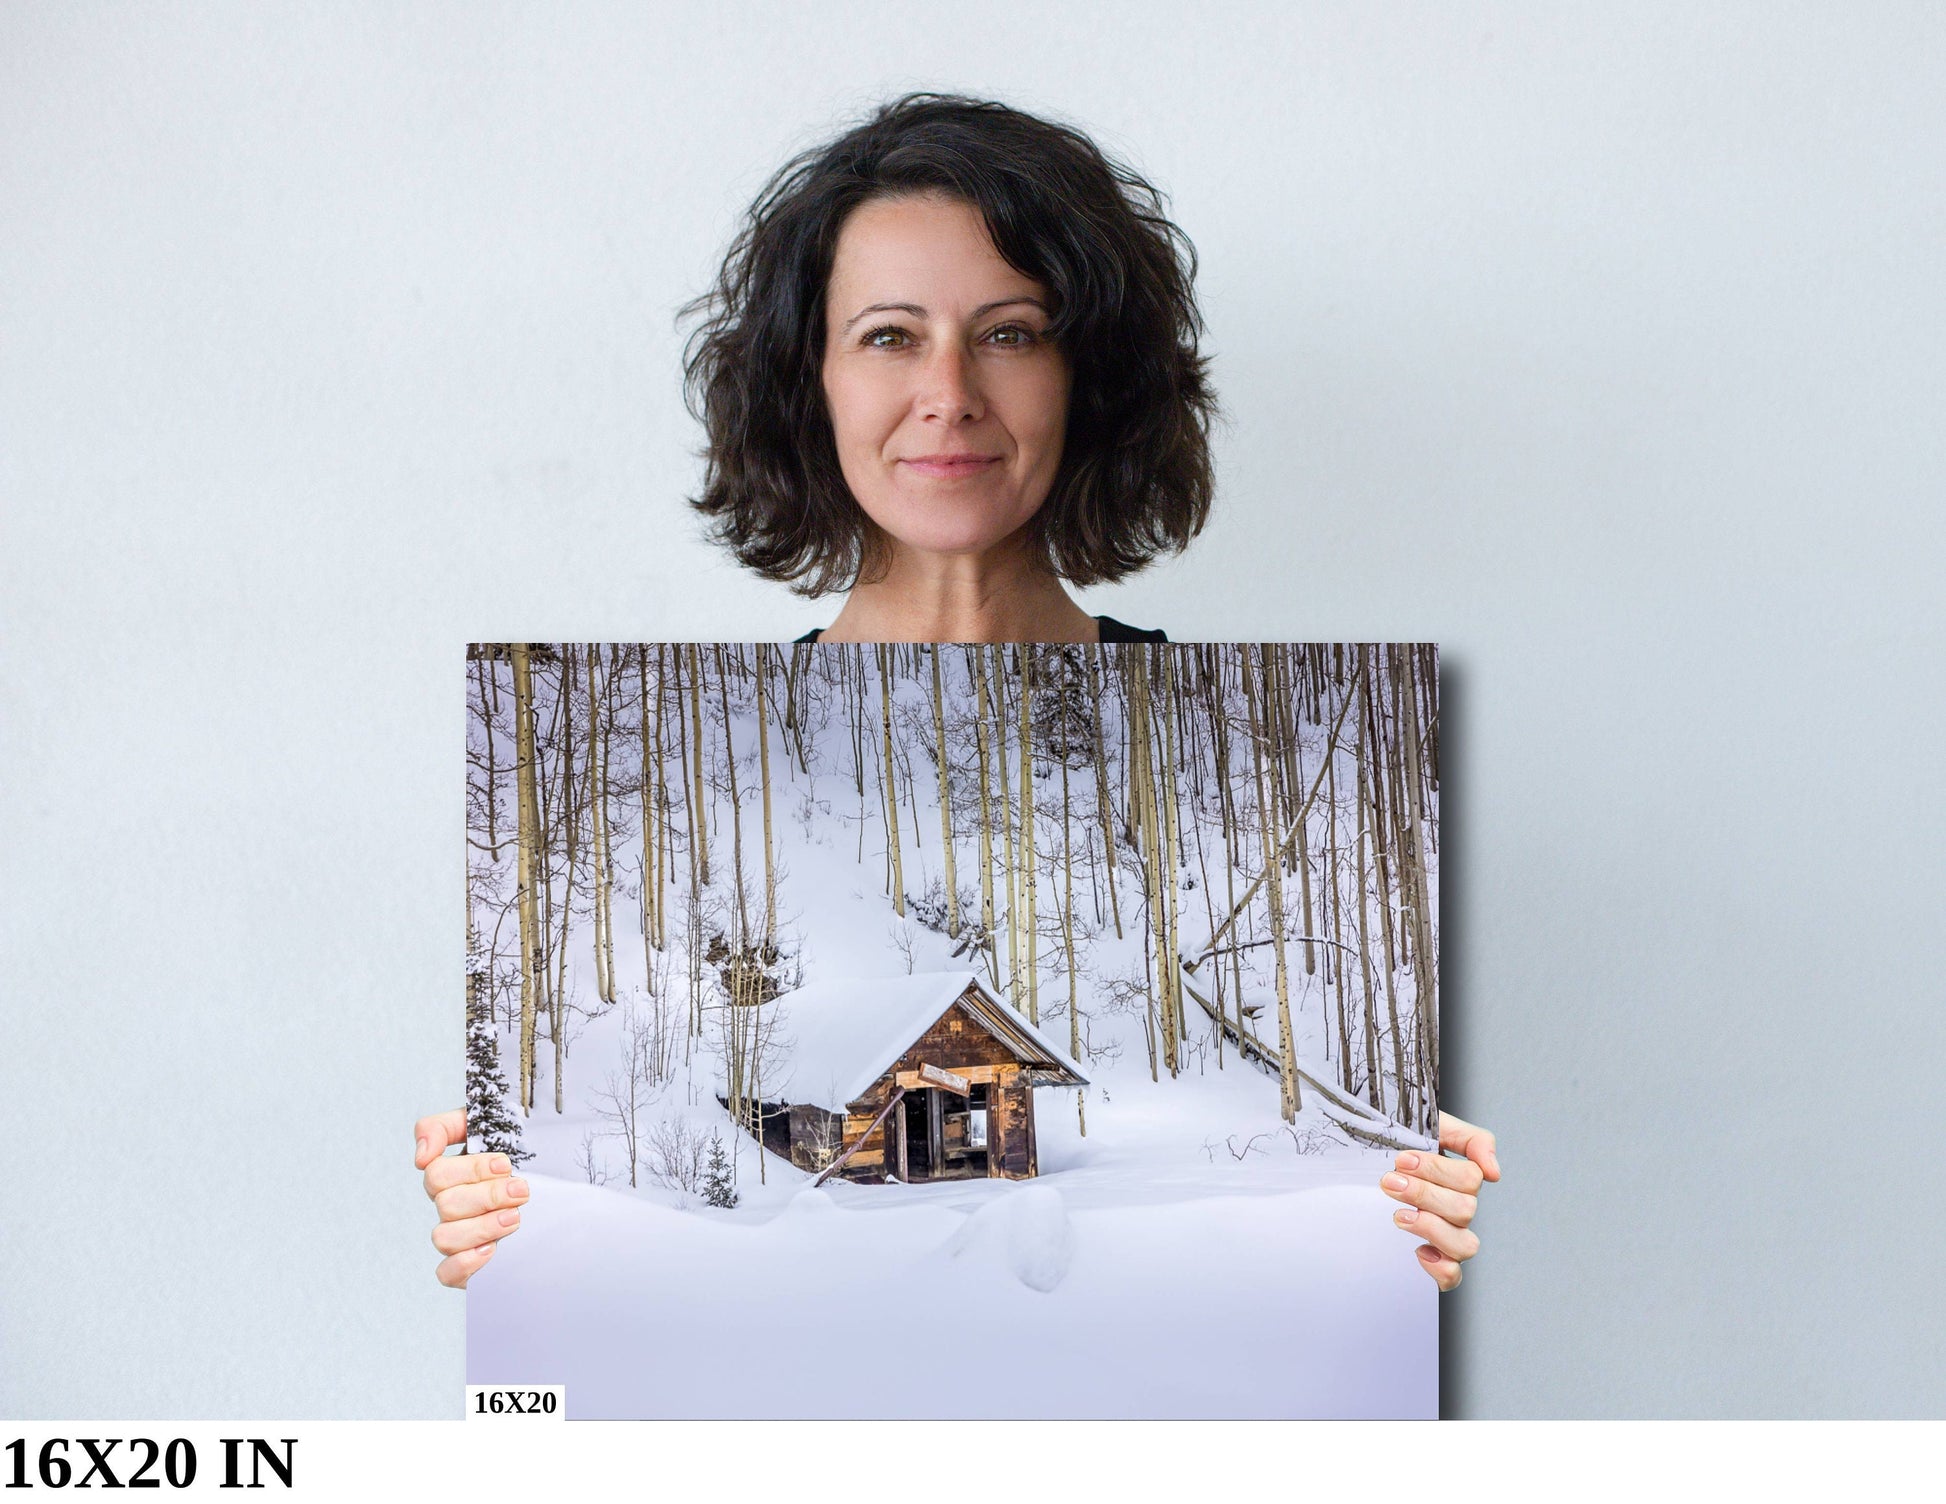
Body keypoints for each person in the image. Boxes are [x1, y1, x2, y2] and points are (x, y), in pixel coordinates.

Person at [421, 92, 1499, 1291]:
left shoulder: (1267, 772)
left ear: (1086, 378)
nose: (949, 392)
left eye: (1009, 332)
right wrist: (516, 1224)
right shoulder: (672, 784)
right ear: (809, 381)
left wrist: (1390, 1213)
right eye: (888, 335)